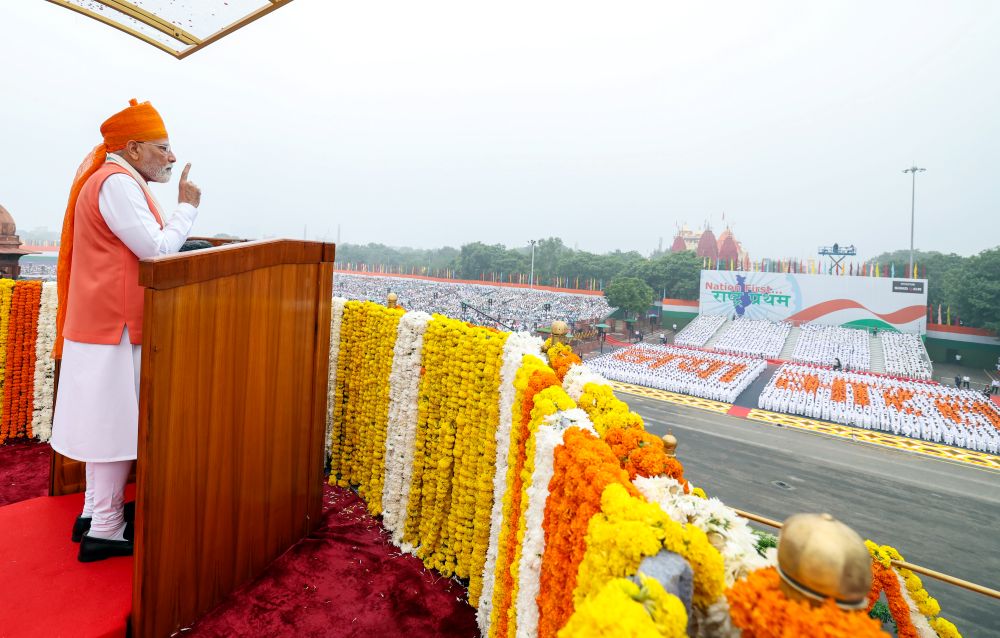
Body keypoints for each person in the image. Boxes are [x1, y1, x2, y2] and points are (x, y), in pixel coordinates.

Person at [50, 99, 201, 563]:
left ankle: (97, 515)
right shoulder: (116, 183)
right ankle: (108, 529)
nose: (172, 157)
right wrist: (187, 209)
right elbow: (154, 250)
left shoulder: (113, 178)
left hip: (101, 325)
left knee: (103, 427)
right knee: (113, 429)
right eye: (162, 147)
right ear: (133, 149)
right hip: (112, 328)